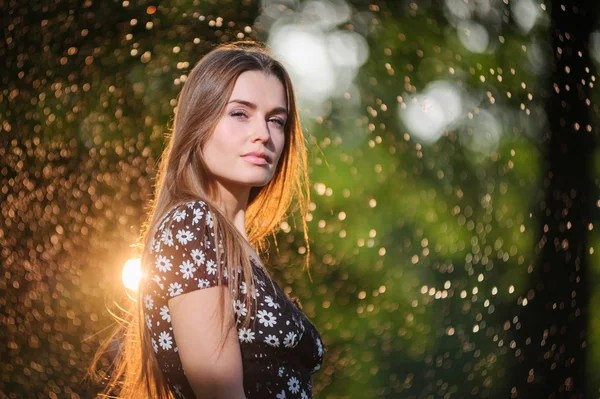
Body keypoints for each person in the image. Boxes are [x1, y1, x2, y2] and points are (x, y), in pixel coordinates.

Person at [88, 41, 324, 399]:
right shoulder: (192, 225)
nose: (263, 133)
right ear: (200, 122)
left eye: (276, 120)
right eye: (240, 113)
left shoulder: (232, 243)